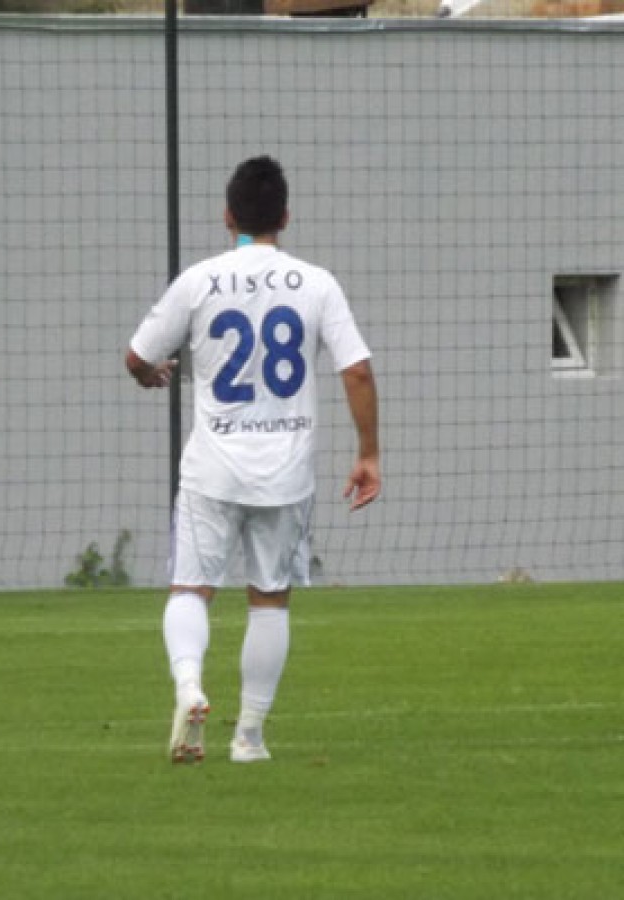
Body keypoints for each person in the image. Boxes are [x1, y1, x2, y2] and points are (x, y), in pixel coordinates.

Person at [126, 156, 380, 763]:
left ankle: (189, 685)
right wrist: (368, 452)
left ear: (227, 216)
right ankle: (249, 736)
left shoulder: (199, 280)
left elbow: (137, 356)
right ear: (284, 217)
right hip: (285, 474)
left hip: (212, 468)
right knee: (269, 598)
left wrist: (151, 374)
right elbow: (357, 370)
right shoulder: (317, 283)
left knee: (191, 588)